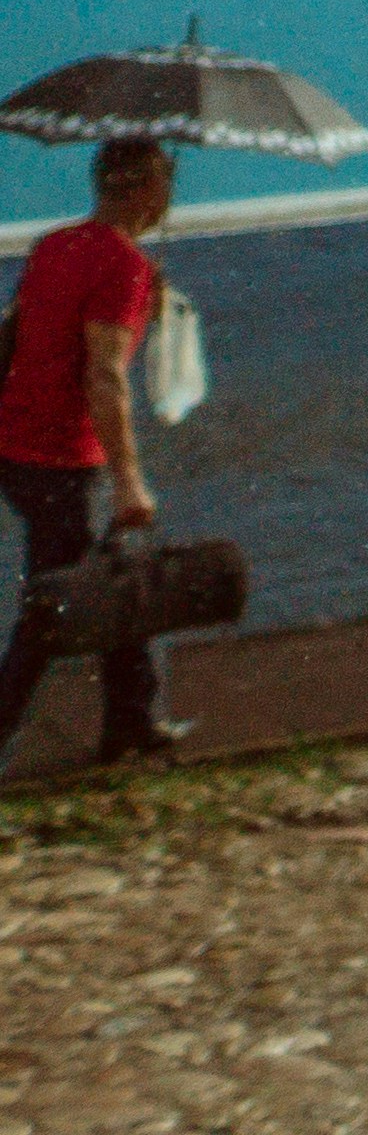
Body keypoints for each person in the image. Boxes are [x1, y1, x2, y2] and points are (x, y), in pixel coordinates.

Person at [0, 134, 185, 768]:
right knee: (56, 608)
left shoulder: (56, 245)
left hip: (17, 447)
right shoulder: (123, 266)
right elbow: (103, 374)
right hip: (64, 461)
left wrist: (141, 304)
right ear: (144, 190)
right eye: (167, 180)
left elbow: (29, 331)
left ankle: (132, 722)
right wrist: (129, 480)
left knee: (118, 578)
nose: (171, 194)